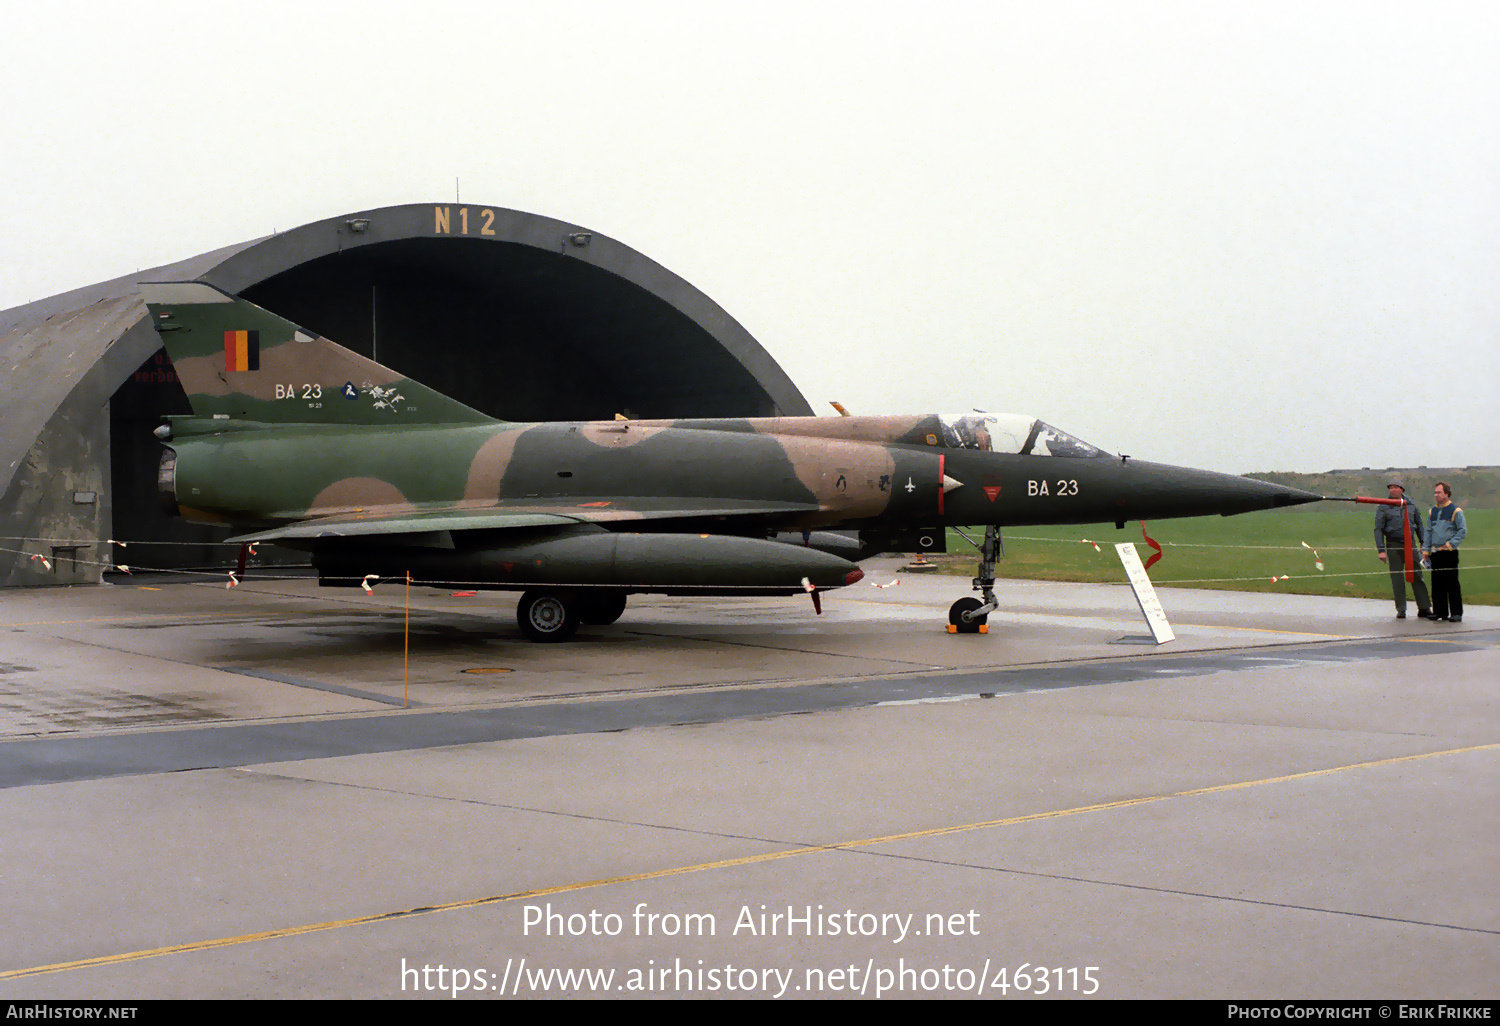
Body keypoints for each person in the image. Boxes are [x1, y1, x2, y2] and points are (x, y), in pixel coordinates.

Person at [1374, 479, 1433, 619]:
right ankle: (1401, 609)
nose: (1393, 490)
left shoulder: (1411, 504)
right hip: (1393, 544)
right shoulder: (1384, 506)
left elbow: (1419, 525)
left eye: (1395, 487)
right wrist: (1381, 550)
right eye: (1390, 488)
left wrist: (1424, 545)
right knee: (1397, 577)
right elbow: (1378, 529)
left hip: (1410, 543)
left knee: (1416, 575)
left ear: (1402, 489)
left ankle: (1424, 607)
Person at [1423, 481, 1466, 623]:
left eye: (1439, 492)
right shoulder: (1432, 512)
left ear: (1446, 494)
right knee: (1437, 583)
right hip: (1435, 552)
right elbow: (1428, 532)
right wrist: (1426, 550)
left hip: (1449, 552)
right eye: (1435, 492)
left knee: (1451, 582)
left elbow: (1462, 530)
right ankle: (1439, 612)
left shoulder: (1455, 511)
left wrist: (1450, 544)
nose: (1436, 495)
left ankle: (1456, 613)